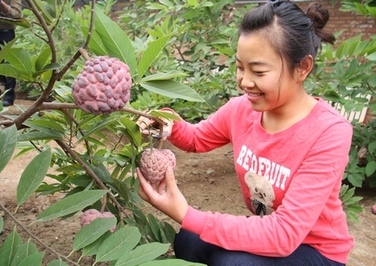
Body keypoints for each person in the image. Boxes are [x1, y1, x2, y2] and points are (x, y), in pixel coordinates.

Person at [136, 1, 354, 265]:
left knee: (233, 262)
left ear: (303, 68)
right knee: (189, 240)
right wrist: (166, 121)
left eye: (259, 71)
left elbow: (284, 233)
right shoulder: (242, 110)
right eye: (240, 67)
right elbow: (196, 138)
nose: (245, 81)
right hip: (273, 231)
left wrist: (185, 213)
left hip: (316, 250)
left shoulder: (329, 132)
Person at [0, 0, 22, 106]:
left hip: (6, 33)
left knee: (8, 64)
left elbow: (16, 15)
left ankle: (9, 96)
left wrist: (0, 3)